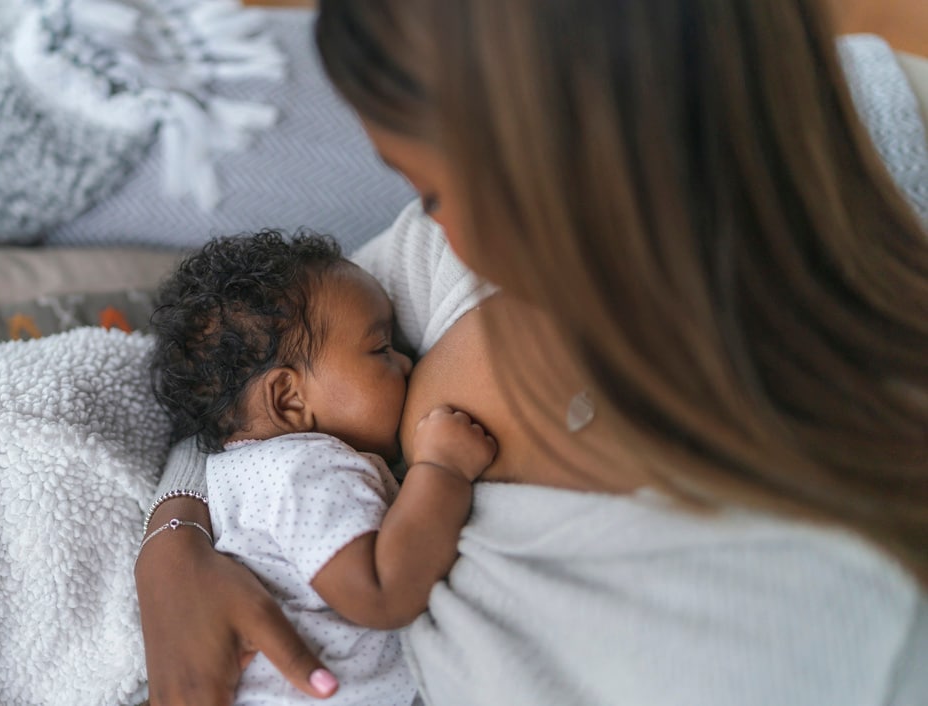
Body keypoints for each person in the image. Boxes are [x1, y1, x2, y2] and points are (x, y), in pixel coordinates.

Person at [134, 1, 928, 704]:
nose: (425, 220)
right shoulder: (449, 269)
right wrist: (174, 545)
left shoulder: (819, 628)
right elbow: (240, 376)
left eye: (438, 193)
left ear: (563, 157)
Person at [147, 230, 496, 704]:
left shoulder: (241, 474)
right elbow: (381, 590)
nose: (408, 362)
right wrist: (443, 469)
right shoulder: (306, 469)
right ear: (289, 399)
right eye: (381, 349)